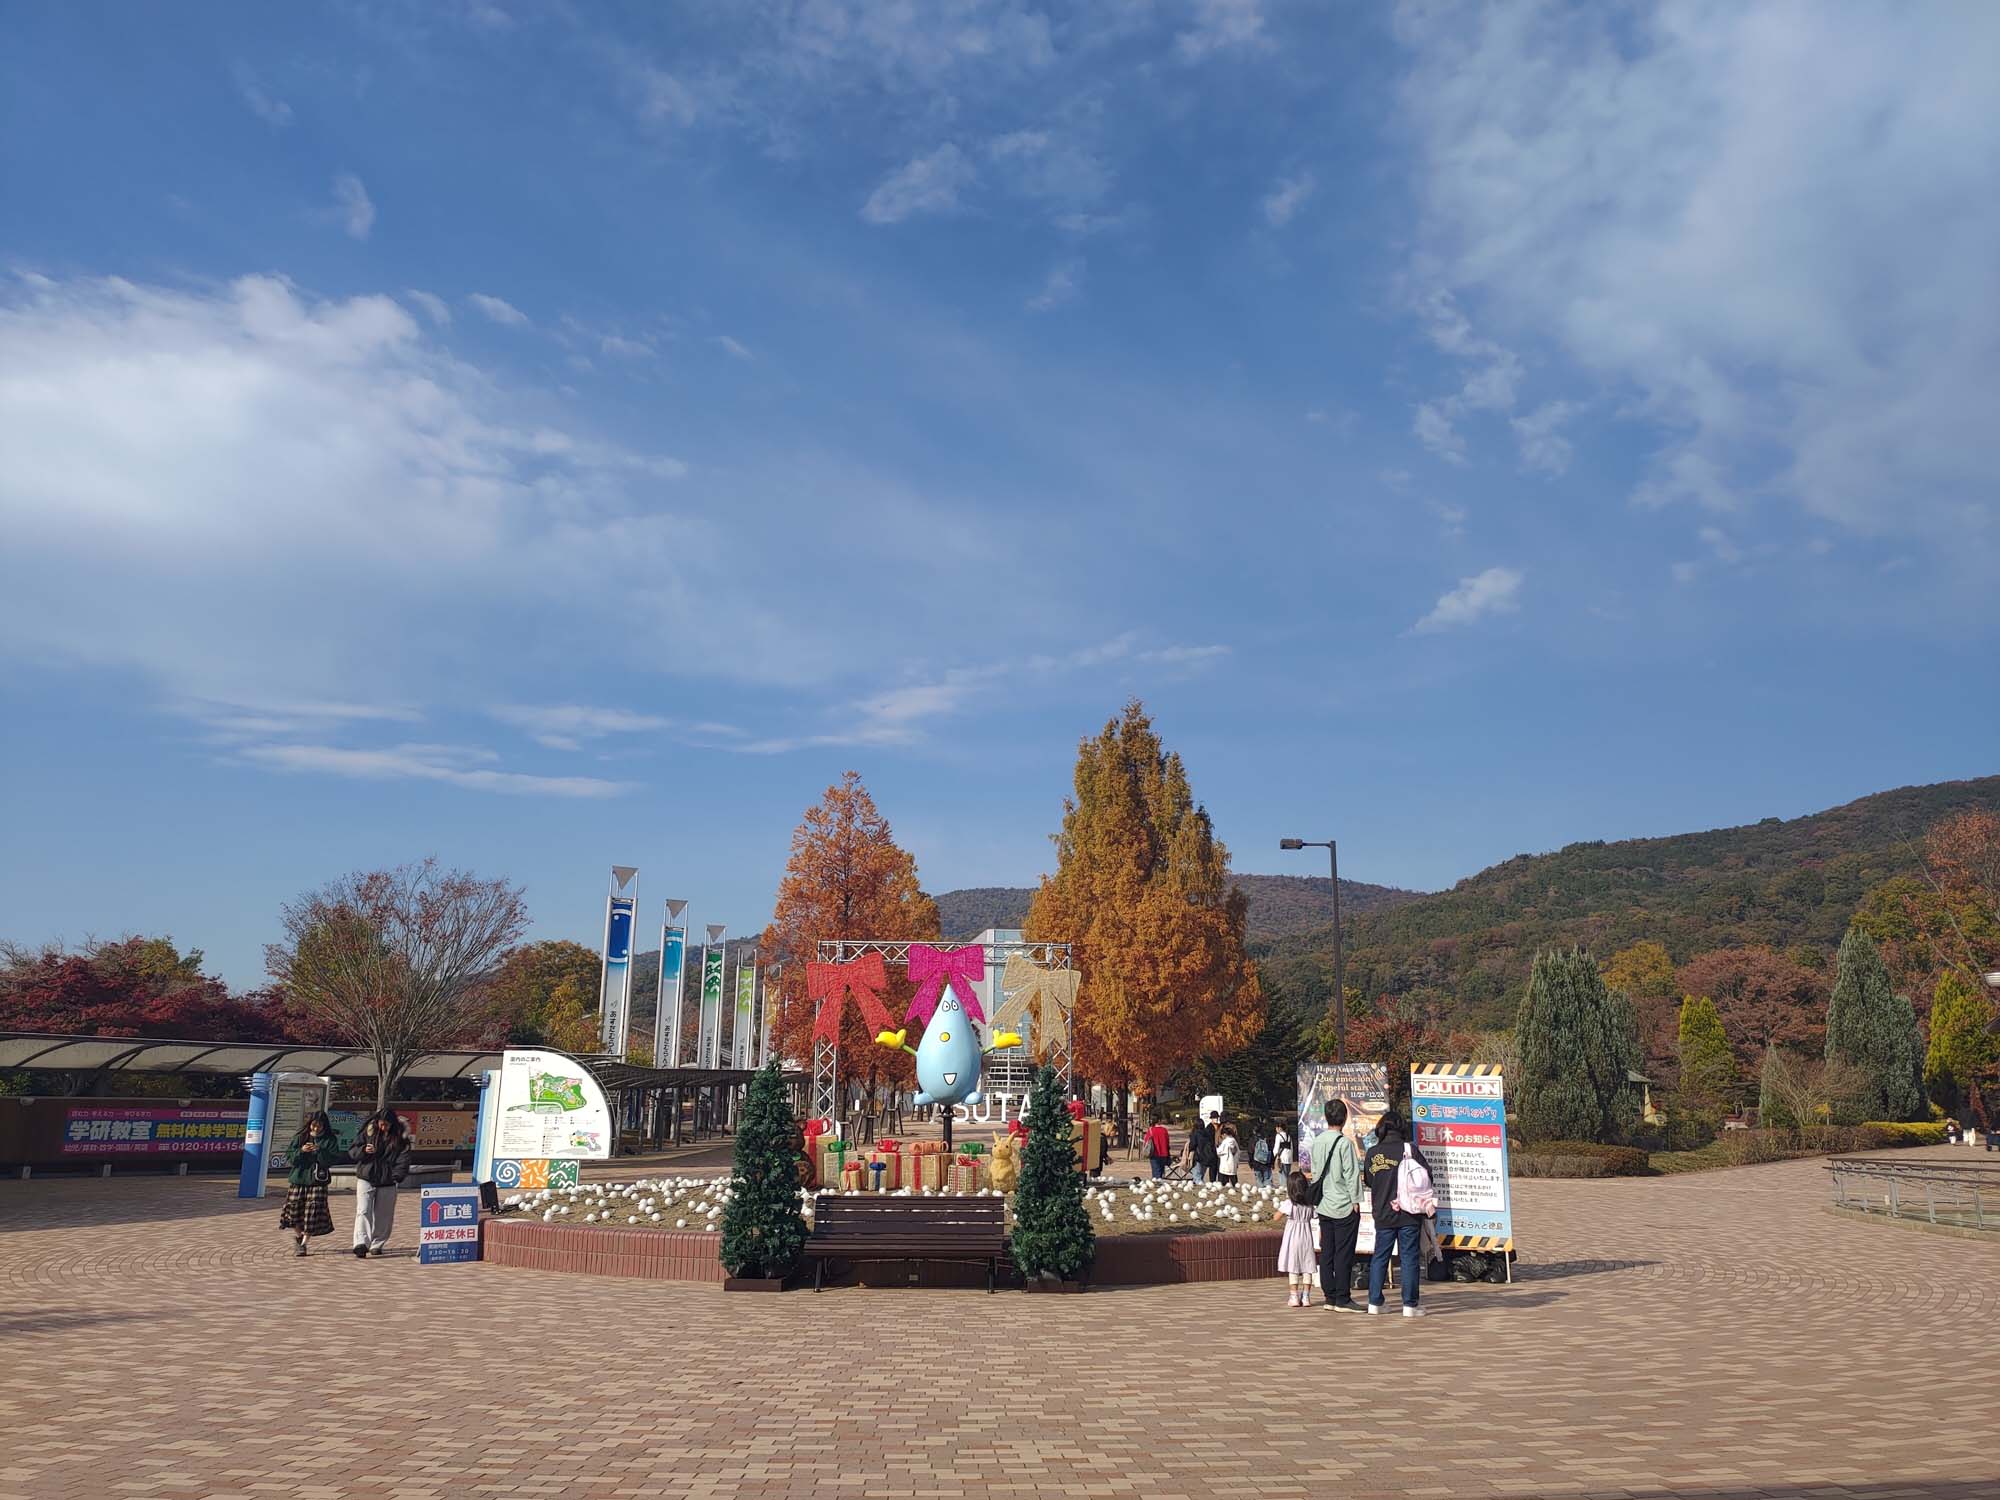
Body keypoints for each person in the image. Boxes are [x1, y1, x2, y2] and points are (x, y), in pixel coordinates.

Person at [1364, 1111, 1430, 1317]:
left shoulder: (1373, 1153)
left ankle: (1375, 1302)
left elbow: (1368, 1180)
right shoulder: (1410, 1149)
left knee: (1380, 1256)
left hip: (1383, 1212)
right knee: (1409, 1257)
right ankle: (1410, 1305)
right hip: (1409, 1213)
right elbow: (1427, 1178)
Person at [1307, 1100, 1364, 1311]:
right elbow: (1351, 1175)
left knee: (1327, 1251)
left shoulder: (1318, 1141)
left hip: (1323, 1204)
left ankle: (1329, 1296)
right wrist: (1356, 1200)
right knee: (1343, 1253)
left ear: (1326, 1116)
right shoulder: (1344, 1143)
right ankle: (1343, 1298)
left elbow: (1314, 1172)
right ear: (1345, 1117)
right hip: (1343, 1204)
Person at [349, 1108, 414, 1258]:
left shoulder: (401, 1138)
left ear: (393, 1124)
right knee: (363, 1210)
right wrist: (364, 1150)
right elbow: (353, 1151)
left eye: (386, 1124)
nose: (383, 1127)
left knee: (384, 1215)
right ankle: (361, 1243)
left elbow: (404, 1159)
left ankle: (377, 1244)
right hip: (366, 1176)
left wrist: (396, 1176)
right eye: (381, 1124)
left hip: (388, 1181)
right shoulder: (368, 1132)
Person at [278, 1110, 343, 1256]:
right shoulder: (300, 1137)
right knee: (292, 1210)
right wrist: (301, 1151)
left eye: (319, 1125)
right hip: (298, 1178)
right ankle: (299, 1234)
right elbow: (290, 1157)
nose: (316, 1128)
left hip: (318, 1181)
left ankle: (303, 1244)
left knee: (312, 1213)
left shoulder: (330, 1139)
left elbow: (333, 1159)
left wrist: (320, 1151)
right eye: (313, 1125)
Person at [1274, 1167, 1319, 1306]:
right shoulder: (1309, 1205)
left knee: (1293, 1267)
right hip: (1306, 1237)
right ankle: (1306, 1297)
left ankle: (1294, 1296)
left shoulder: (1289, 1203)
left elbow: (1276, 1217)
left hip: (1292, 1238)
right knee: (1307, 1266)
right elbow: (1316, 1216)